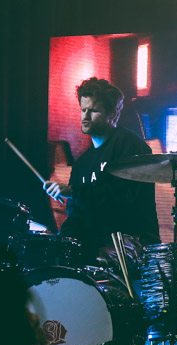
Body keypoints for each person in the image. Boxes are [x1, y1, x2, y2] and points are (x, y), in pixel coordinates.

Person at [42, 77, 159, 264]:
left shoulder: (129, 145)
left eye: (93, 111)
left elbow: (120, 198)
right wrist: (62, 241)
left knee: (95, 258)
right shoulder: (82, 163)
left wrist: (73, 192)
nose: (84, 117)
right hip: (95, 242)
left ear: (112, 114)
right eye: (83, 109)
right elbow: (77, 215)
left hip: (131, 240)